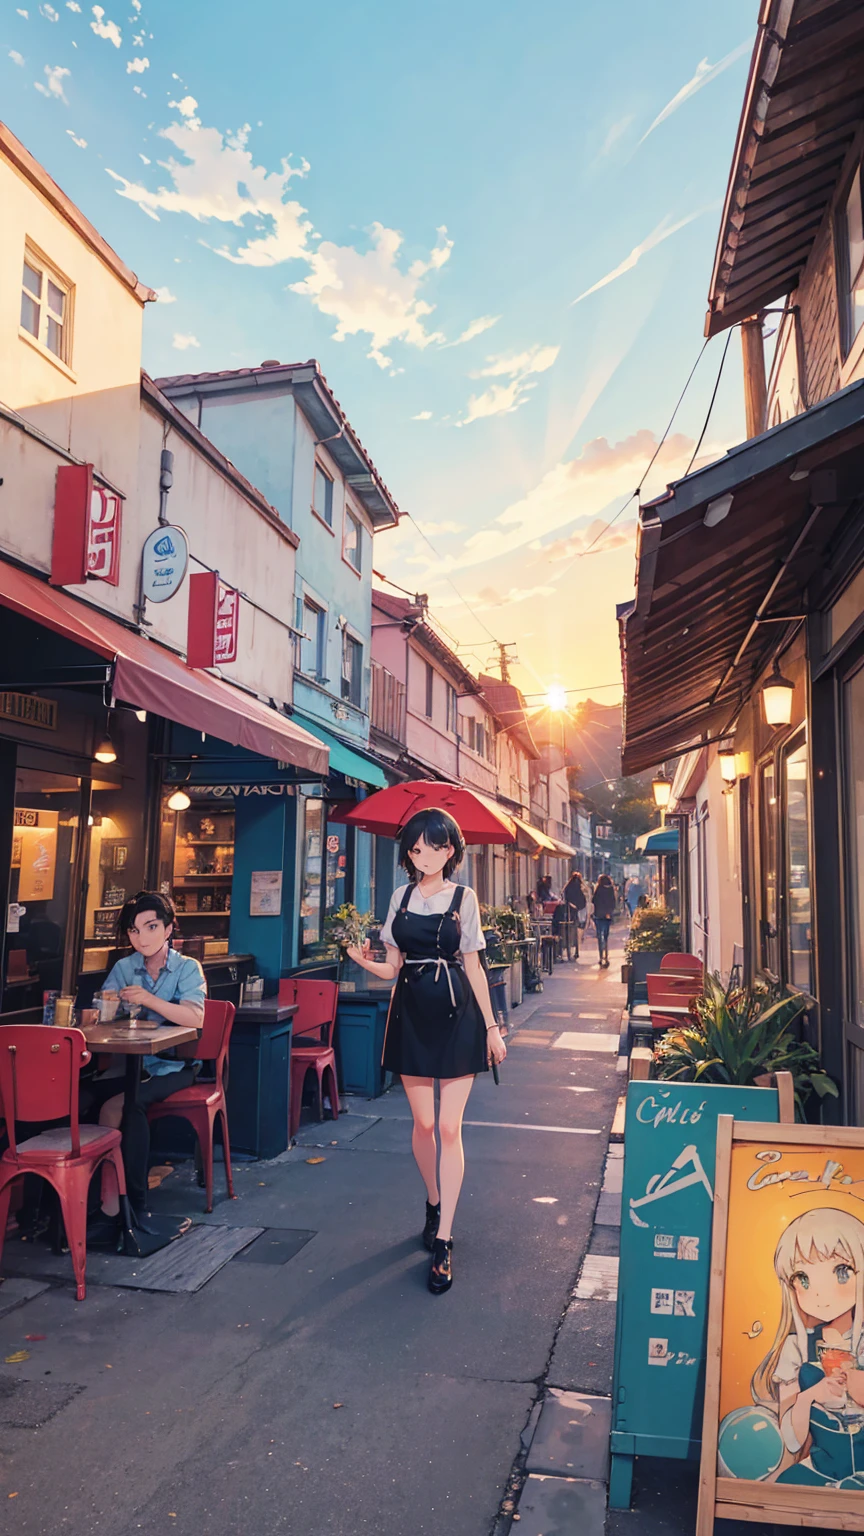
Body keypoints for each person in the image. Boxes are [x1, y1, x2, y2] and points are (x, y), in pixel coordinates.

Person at [347, 808, 506, 1295]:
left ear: (451, 850)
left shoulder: (465, 897)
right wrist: (360, 958)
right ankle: (434, 1199)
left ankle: (444, 1239)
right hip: (411, 1013)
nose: (424, 856)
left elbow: (475, 966)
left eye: (434, 847)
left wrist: (494, 1028)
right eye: (415, 849)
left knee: (450, 1127)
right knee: (422, 1124)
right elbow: (393, 967)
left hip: (459, 1015)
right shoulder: (400, 897)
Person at [86, 892, 206, 1242]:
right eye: (135, 931)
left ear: (169, 928)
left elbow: (195, 1017)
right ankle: (102, 1204)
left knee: (130, 1104)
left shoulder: (186, 968)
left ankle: (134, 1207)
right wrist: (99, 1010)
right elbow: (103, 1010)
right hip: (131, 1066)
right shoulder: (124, 968)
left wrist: (148, 999)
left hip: (176, 1067)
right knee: (86, 1099)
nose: (143, 937)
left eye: (151, 927)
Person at [751, 1209, 864, 1487]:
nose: (819, 1293)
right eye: (803, 1278)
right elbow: (791, 1439)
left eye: (841, 1272)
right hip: (822, 1468)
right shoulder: (796, 1347)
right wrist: (811, 1396)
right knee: (786, 1487)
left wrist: (855, 1382)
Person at [592, 873, 616, 968]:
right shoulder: (610, 890)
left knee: (599, 936)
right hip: (607, 916)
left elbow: (594, 900)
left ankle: (601, 956)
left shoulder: (598, 889)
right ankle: (606, 955)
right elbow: (613, 902)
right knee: (605, 936)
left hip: (598, 915)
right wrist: (609, 912)